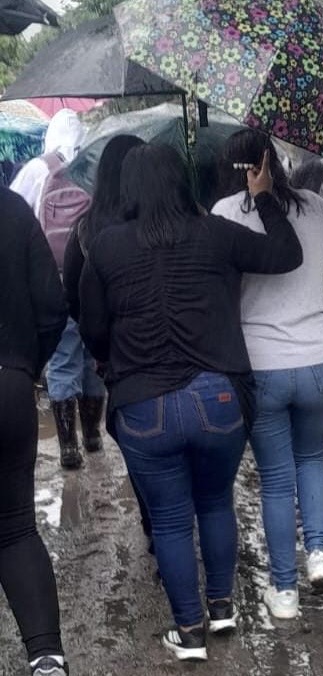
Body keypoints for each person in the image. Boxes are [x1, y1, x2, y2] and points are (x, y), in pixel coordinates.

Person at [78, 143, 303, 662]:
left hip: (143, 405)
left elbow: (93, 328)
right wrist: (264, 197)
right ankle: (223, 608)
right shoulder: (216, 234)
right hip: (219, 397)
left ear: (131, 189)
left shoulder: (107, 247)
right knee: (215, 502)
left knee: (172, 519)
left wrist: (115, 361)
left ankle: (190, 633)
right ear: (183, 184)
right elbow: (287, 255)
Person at [212, 130, 323, 620]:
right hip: (318, 360)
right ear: (274, 161)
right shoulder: (317, 209)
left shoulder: (223, 214)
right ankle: (319, 553)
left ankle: (284, 591)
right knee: (312, 460)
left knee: (276, 480)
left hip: (261, 367)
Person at [61, 134, 155, 548]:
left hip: (116, 359)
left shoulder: (86, 228)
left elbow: (73, 299)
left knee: (140, 443)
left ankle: (154, 518)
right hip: (164, 347)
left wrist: (99, 351)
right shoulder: (164, 221)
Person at [0, 187, 69, 676]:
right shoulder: (12, 207)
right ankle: (46, 659)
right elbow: (52, 305)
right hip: (8, 383)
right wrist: (23, 367)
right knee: (15, 528)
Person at [10, 108, 100, 470]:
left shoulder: (37, 168)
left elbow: (17, 211)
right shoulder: (94, 165)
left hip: (54, 277)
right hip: (93, 279)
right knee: (93, 359)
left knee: (63, 361)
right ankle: (93, 436)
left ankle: (68, 447)